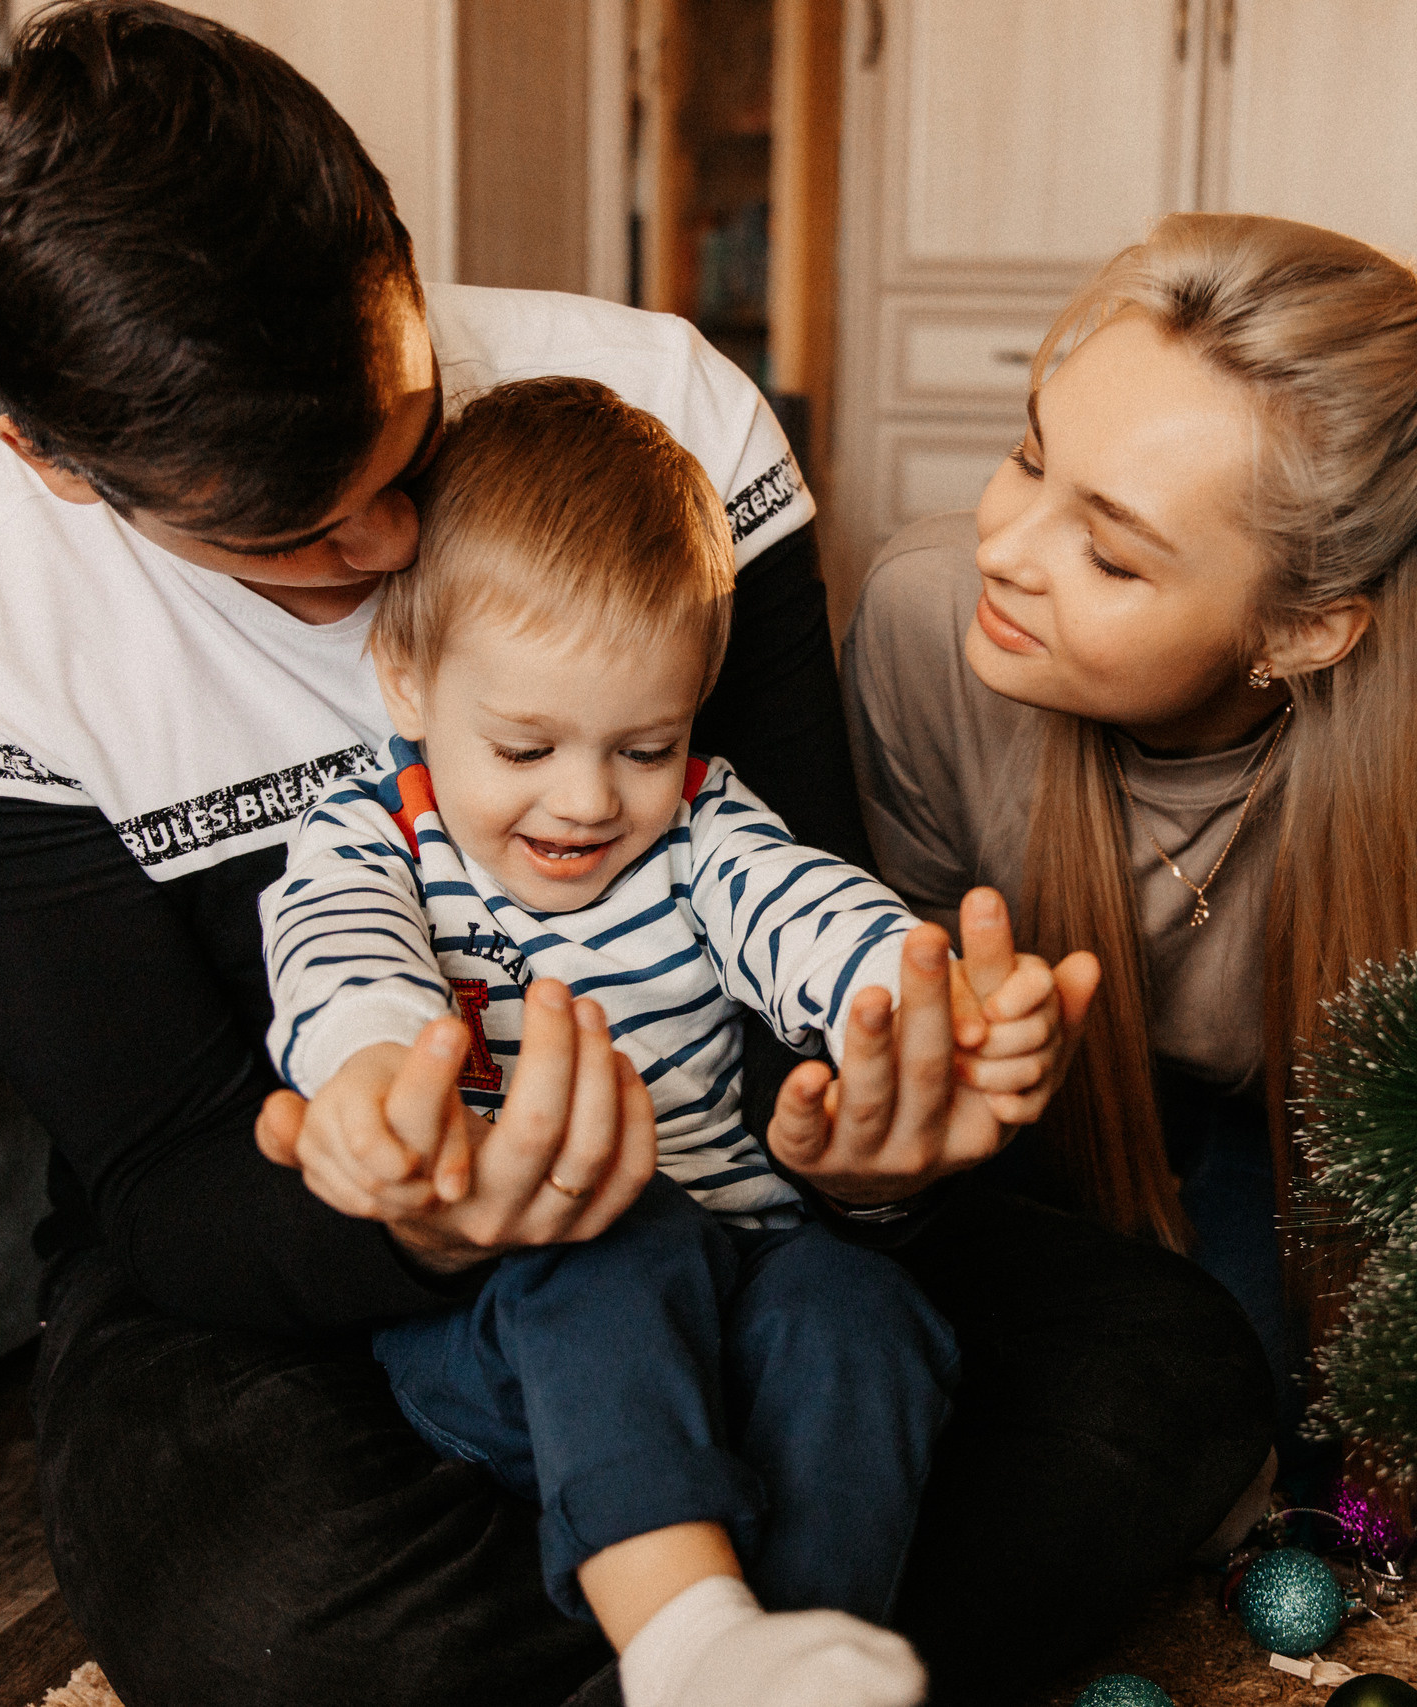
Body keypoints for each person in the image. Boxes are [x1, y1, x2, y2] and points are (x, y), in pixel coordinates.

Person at [0, 6, 1272, 1703]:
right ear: (55, 462)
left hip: (737, 1198)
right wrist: (423, 1208)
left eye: (408, 435)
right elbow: (172, 1167)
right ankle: (739, 1629)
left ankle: (727, 1637)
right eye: (290, 531)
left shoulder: (665, 421)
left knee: (1166, 1370)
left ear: (398, 259)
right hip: (294, 1263)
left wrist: (883, 1110)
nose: (390, 545)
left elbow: (781, 899)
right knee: (277, 1620)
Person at [263, 377, 1087, 1707]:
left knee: (860, 1304)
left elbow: (805, 912)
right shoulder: (375, 841)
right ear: (407, 680)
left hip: (733, 1284)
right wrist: (374, 1076)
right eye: (524, 746)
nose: (587, 800)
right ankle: (686, 1630)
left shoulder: (701, 827)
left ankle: (788, 1662)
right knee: (615, 1223)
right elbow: (341, 959)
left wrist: (925, 997)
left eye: (645, 746)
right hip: (513, 1316)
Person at [842, 213, 1417, 1435]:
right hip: (1045, 1104)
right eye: (1027, 458)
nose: (1002, 549)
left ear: (1304, 631)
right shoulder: (924, 618)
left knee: (1281, 1406)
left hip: (1314, 1140)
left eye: (1111, 558)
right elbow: (903, 1008)